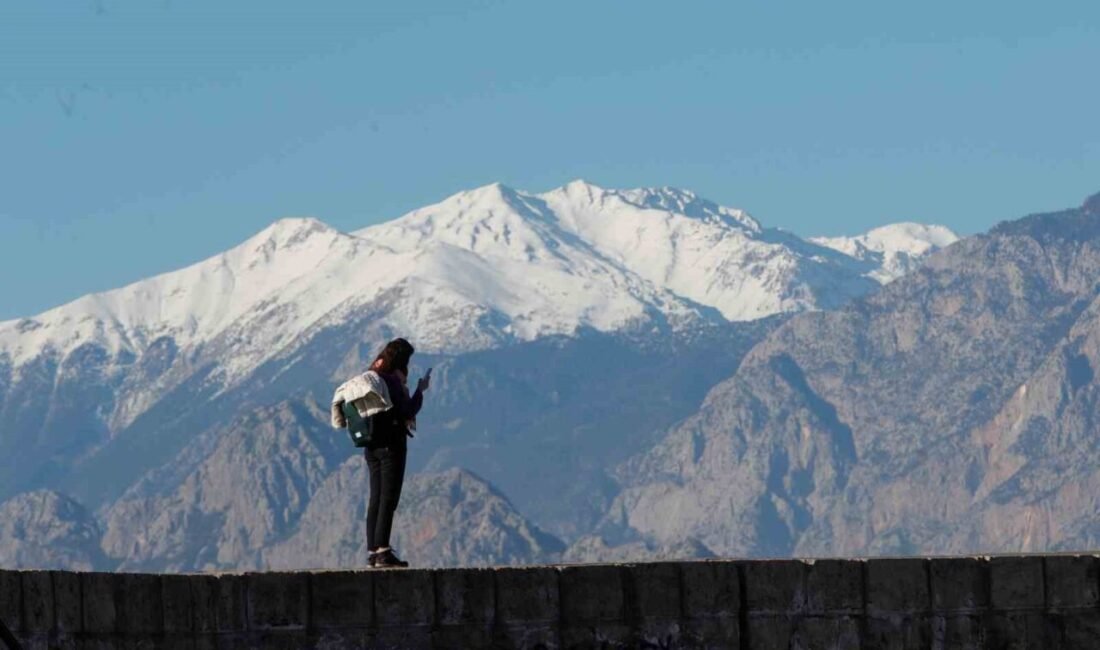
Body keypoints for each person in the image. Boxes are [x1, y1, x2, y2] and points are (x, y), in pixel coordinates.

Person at [364, 338, 430, 568]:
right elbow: (407, 410)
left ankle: (373, 551)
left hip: (371, 446)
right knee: (388, 500)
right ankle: (383, 551)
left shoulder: (372, 375)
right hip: (391, 445)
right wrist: (420, 391)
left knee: (375, 498)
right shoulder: (391, 380)